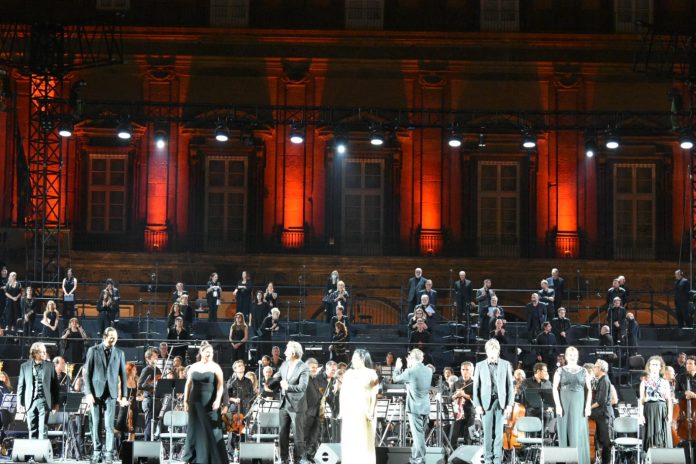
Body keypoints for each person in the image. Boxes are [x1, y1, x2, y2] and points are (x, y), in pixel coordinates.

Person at [83, 327, 129, 464]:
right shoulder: (93, 350)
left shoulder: (120, 353)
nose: (114, 340)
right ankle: (97, 452)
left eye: (115, 337)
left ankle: (109, 453)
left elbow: (123, 376)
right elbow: (87, 374)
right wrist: (88, 393)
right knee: (96, 424)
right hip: (96, 394)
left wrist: (124, 395)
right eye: (111, 337)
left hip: (111, 394)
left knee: (109, 425)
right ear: (104, 337)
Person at [182, 341, 228, 464]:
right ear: (201, 352)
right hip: (195, 402)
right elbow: (188, 385)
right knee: (194, 429)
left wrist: (218, 400)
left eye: (211, 353)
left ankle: (215, 459)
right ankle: (194, 458)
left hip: (210, 402)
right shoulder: (194, 366)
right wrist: (185, 401)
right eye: (207, 352)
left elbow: (220, 386)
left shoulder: (215, 367)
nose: (210, 355)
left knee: (212, 430)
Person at [473, 338, 514, 464]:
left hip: (500, 403)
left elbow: (510, 387)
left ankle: (497, 460)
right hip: (486, 404)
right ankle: (487, 459)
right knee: (487, 435)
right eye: (489, 350)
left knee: (499, 435)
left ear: (498, 351)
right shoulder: (479, 365)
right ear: (486, 351)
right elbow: (476, 387)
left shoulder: (506, 364)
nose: (492, 353)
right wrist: (477, 405)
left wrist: (509, 405)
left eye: (494, 350)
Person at [392, 348, 433, 464]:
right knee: (419, 434)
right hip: (425, 407)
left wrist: (397, 368)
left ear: (411, 358)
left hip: (415, 408)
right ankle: (416, 458)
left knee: (418, 435)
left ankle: (420, 460)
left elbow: (395, 379)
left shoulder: (410, 372)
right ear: (422, 358)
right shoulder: (429, 370)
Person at [552, 346, 591, 464]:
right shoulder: (560, 370)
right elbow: (554, 388)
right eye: (570, 355)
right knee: (564, 432)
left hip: (579, 405)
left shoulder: (584, 371)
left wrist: (588, 406)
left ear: (577, 357)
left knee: (578, 432)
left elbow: (589, 389)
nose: (573, 357)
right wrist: (558, 405)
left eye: (575, 355)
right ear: (566, 356)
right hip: (564, 404)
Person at [273, 341, 310, 464]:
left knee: (298, 435)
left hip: (296, 406)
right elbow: (277, 378)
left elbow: (302, 387)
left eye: (286, 350)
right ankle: (283, 459)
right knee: (282, 432)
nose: (284, 352)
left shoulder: (303, 367)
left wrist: (287, 387)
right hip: (284, 404)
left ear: (293, 353)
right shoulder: (284, 364)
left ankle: (297, 460)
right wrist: (269, 384)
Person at [340, 349, 379, 463]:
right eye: (353, 357)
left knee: (364, 439)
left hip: (365, 410)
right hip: (350, 411)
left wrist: (371, 411)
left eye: (356, 358)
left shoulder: (371, 373)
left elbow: (374, 393)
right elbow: (343, 393)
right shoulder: (348, 373)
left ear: (363, 359)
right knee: (350, 438)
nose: (353, 360)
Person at [16, 342, 60, 439]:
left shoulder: (50, 366)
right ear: (34, 353)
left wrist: (56, 404)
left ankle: (41, 453)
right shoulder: (24, 366)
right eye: (42, 352)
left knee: (43, 430)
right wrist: (19, 404)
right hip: (30, 402)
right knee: (32, 429)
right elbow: (20, 387)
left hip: (44, 402)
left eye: (45, 352)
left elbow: (55, 387)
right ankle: (33, 453)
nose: (44, 353)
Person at [639, 355, 673, 450]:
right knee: (650, 436)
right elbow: (641, 399)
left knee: (661, 436)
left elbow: (668, 399)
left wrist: (670, 414)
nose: (654, 366)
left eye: (657, 365)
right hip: (649, 409)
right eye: (652, 364)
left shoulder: (665, 382)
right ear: (649, 366)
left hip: (661, 409)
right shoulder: (644, 382)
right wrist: (641, 415)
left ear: (660, 367)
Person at [226, 359, 255, 455]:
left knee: (243, 432)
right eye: (239, 366)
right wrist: (234, 400)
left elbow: (252, 395)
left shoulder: (248, 381)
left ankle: (243, 452)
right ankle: (230, 453)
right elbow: (226, 397)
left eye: (242, 365)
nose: (241, 367)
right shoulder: (231, 381)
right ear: (234, 369)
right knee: (233, 431)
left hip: (245, 409)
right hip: (234, 409)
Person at [591, 359, 614, 464]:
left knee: (606, 443)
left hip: (604, 416)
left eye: (595, 367)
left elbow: (600, 401)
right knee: (602, 442)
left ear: (600, 368)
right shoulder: (600, 380)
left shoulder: (604, 380)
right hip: (600, 415)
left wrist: (588, 408)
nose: (593, 369)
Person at [304, 358, 327, 459]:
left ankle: (310, 457)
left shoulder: (316, 379)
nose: (315, 369)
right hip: (306, 413)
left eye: (316, 368)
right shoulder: (303, 379)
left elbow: (319, 394)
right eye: (312, 367)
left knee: (314, 438)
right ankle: (302, 458)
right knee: (305, 437)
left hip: (316, 413)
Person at [138, 347, 162, 442]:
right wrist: (152, 387)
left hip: (157, 400)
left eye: (157, 356)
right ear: (148, 358)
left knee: (156, 423)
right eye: (154, 356)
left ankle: (155, 443)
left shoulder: (158, 370)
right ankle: (147, 444)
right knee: (149, 424)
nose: (156, 357)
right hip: (149, 400)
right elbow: (140, 385)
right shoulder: (146, 370)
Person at [450, 361, 475, 446]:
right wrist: (455, 396)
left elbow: (476, 398)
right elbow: (450, 397)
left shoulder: (475, 383)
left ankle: (468, 457)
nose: (465, 372)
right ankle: (451, 455)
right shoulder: (456, 383)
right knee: (453, 436)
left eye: (467, 370)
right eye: (463, 369)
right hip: (457, 413)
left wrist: (464, 395)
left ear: (472, 371)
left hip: (469, 413)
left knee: (468, 438)